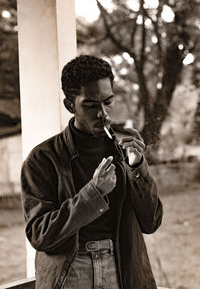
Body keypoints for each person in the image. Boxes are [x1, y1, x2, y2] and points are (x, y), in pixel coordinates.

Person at [21, 55, 163, 289]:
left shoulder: (127, 143)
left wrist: (137, 169)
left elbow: (151, 221)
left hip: (122, 267)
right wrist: (93, 193)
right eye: (91, 105)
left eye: (108, 102)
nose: (103, 113)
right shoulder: (42, 158)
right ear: (70, 105)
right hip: (70, 273)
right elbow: (40, 235)